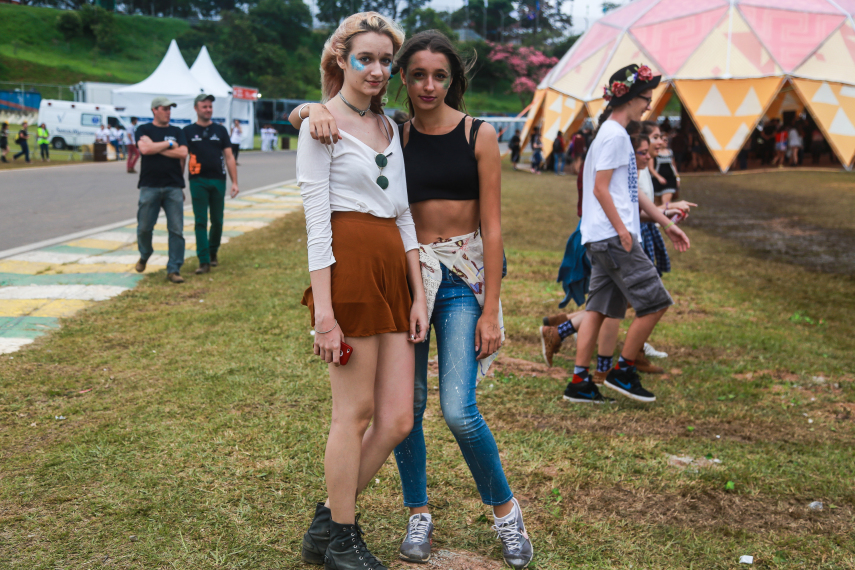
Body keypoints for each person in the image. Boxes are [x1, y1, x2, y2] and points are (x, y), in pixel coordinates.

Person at [291, 28, 534, 570]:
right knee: (385, 412)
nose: (427, 84)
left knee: (439, 411)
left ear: (453, 79)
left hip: (444, 279)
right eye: (416, 73)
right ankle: (385, 521)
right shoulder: (390, 130)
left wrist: (489, 306)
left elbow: (483, 228)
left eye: (440, 75)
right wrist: (307, 111)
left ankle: (502, 514)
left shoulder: (457, 133)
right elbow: (330, 137)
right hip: (390, 274)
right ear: (403, 78)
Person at [291, 13, 429, 570]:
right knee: (353, 412)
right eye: (363, 59)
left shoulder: (393, 129)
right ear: (340, 61)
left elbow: (404, 216)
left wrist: (419, 293)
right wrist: (324, 314)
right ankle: (343, 540)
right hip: (347, 268)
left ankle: (327, 520)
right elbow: (317, 223)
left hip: (394, 272)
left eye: (383, 61)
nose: (376, 70)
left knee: (396, 418)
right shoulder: (318, 126)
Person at [567, 63, 690, 404]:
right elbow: (601, 189)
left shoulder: (612, 133)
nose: (649, 106)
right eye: (646, 99)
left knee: (597, 310)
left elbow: (631, 194)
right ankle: (623, 371)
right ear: (631, 98)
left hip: (601, 236)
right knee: (655, 302)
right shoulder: (616, 135)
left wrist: (667, 223)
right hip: (613, 237)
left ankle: (579, 382)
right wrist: (623, 231)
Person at [182, 94, 240, 275]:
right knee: (200, 221)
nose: (208, 109)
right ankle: (204, 260)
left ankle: (213, 251)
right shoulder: (188, 131)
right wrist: (179, 183)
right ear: (196, 108)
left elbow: (229, 157)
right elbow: (182, 158)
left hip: (218, 180)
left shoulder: (220, 131)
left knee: (217, 220)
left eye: (210, 106)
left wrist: (235, 182)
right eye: (204, 106)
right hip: (197, 180)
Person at [135, 97, 189, 284]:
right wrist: (170, 144)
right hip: (149, 185)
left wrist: (157, 146)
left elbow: (183, 153)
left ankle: (174, 268)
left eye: (169, 109)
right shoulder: (143, 130)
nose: (168, 112)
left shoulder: (177, 131)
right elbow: (144, 150)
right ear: (154, 110)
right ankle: (145, 253)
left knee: (176, 230)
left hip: (173, 185)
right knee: (144, 228)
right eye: (164, 108)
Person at [651, 131, 679, 206]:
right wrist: (659, 177)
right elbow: (651, 168)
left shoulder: (670, 152)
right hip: (657, 181)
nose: (666, 142)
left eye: (667, 140)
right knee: (657, 203)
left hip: (669, 180)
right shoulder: (654, 152)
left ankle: (666, 216)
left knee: (666, 202)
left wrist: (677, 178)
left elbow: (673, 165)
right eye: (664, 140)